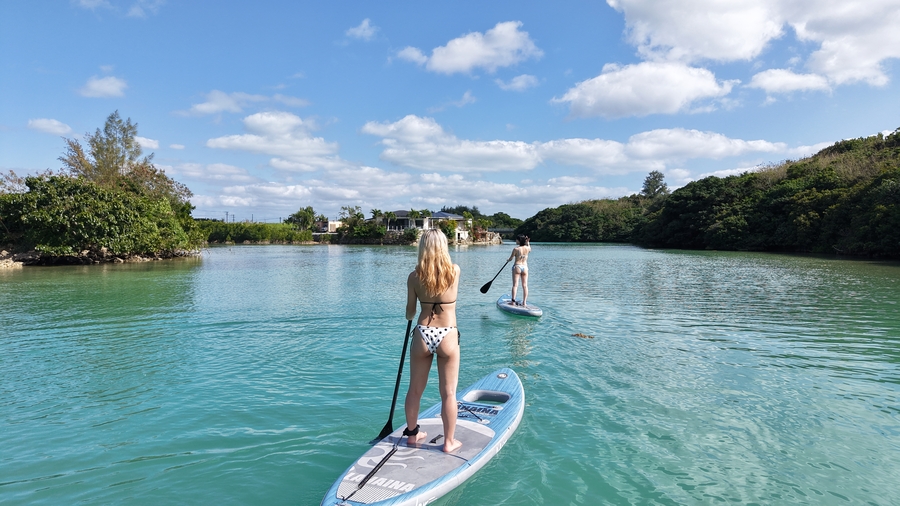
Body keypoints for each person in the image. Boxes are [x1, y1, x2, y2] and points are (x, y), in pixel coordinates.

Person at [403, 229, 462, 453]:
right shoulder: (454, 271)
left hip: (423, 333)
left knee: (415, 390)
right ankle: (449, 442)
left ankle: (412, 435)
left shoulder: (414, 276)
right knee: (448, 392)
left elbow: (409, 312)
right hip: (448, 333)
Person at [508, 235, 531, 306]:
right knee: (525, 286)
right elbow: (529, 246)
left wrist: (508, 260)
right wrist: (528, 242)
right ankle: (524, 302)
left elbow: (511, 258)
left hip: (517, 266)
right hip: (525, 267)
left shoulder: (516, 249)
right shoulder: (528, 248)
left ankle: (513, 302)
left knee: (515, 285)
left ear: (519, 241)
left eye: (516, 240)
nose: (516, 241)